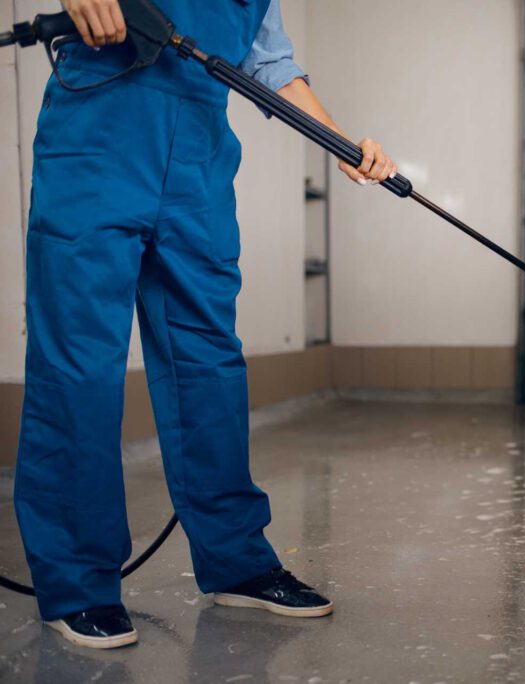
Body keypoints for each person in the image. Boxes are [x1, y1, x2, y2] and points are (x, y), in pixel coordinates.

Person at [15, 0, 394, 650]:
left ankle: (237, 562)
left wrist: (343, 144)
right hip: (96, 147)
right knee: (80, 363)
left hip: (196, 167)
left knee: (209, 365)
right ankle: (77, 583)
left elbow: (274, 70)